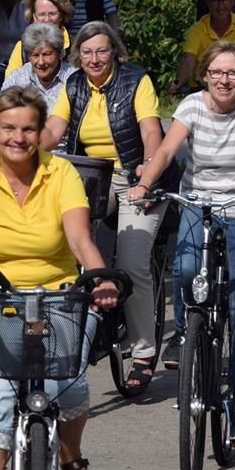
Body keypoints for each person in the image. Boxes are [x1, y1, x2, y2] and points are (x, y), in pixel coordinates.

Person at [0, 86, 119, 470]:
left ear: (42, 131)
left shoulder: (60, 173)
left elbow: (81, 239)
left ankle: (69, 455)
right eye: (8, 128)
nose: (18, 138)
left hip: (59, 297)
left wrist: (99, 281)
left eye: (28, 129)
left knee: (71, 384)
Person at [131, 40, 235, 446]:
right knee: (184, 273)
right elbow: (167, 149)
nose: (224, 79)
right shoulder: (191, 106)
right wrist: (145, 184)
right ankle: (189, 337)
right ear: (204, 75)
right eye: (217, 72)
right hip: (199, 203)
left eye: (233, 72)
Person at [41, 20, 171, 392]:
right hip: (90, 178)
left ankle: (144, 351)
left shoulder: (136, 80)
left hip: (135, 176)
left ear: (114, 51)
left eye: (101, 50)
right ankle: (75, 326)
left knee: (132, 261)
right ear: (77, 56)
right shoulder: (74, 84)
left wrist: (147, 171)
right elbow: (53, 129)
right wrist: (28, 150)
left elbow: (150, 130)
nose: (94, 58)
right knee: (63, 246)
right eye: (86, 52)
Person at [0, 22, 76, 149]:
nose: (41, 62)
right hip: (21, 149)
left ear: (59, 53)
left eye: (47, 54)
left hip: (64, 151)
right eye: (35, 55)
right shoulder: (19, 76)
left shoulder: (74, 78)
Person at [3, 0, 73, 77]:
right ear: (34, 17)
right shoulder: (22, 48)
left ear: (62, 15)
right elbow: (10, 83)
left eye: (52, 14)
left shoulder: (75, 46)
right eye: (42, 14)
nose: (47, 19)